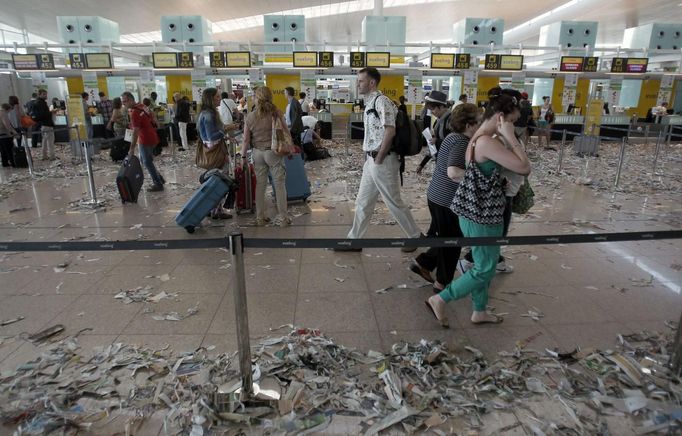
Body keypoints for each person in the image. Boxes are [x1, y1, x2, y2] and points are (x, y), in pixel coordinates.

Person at [425, 92, 531, 328]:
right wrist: (511, 138)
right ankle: (441, 298)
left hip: (477, 211)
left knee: (486, 263)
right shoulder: (486, 141)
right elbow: (524, 167)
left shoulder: (479, 138)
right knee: (485, 268)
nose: (514, 126)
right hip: (482, 214)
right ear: (501, 118)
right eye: (512, 121)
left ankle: (479, 310)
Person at [335, 67, 422, 252]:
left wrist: (379, 157)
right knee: (363, 201)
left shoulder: (381, 101)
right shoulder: (370, 102)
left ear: (372, 82)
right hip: (371, 161)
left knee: (393, 200)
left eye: (361, 81)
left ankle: (415, 236)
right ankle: (354, 240)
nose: (358, 84)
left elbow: (390, 130)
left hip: (383, 160)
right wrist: (368, 158)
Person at [409, 103, 480, 291]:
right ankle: (441, 286)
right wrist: (482, 180)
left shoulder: (451, 137)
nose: (481, 126)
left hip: (436, 195)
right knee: (452, 244)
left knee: (448, 237)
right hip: (447, 200)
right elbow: (454, 172)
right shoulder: (461, 142)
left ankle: (424, 263)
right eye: (478, 122)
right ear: (469, 124)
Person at [241, 86, 291, 227]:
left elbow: (245, 140)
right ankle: (283, 218)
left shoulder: (250, 117)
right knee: (279, 185)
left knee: (260, 186)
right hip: (274, 152)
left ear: (257, 98)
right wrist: (290, 148)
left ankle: (260, 217)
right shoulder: (276, 113)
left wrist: (243, 157)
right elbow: (286, 133)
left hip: (257, 153)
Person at [197, 88, 232, 220]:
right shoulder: (209, 115)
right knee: (220, 181)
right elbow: (212, 136)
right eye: (217, 97)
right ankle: (215, 209)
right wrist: (226, 129)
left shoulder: (205, 113)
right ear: (211, 99)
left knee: (214, 181)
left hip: (210, 150)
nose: (219, 99)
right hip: (216, 152)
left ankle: (214, 208)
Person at [121, 91, 165, 192]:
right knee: (146, 160)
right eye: (122, 102)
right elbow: (152, 115)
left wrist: (131, 148)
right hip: (152, 136)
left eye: (125, 101)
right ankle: (159, 178)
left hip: (145, 139)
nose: (123, 104)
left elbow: (136, 131)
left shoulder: (135, 113)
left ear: (131, 100)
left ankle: (158, 183)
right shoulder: (142, 106)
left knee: (147, 162)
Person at [416, 90, 451, 175]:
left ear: (442, 106)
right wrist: (422, 164)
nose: (432, 112)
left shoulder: (451, 121)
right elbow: (432, 147)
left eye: (433, 108)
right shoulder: (437, 122)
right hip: (440, 162)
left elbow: (456, 144)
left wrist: (437, 141)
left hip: (450, 165)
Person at [31, 89, 56, 160]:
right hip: (46, 124)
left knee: (44, 141)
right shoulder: (40, 103)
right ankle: (52, 156)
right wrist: (51, 112)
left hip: (42, 124)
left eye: (46, 94)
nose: (46, 95)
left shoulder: (38, 102)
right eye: (44, 94)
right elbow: (43, 114)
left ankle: (44, 155)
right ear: (39, 94)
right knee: (50, 141)